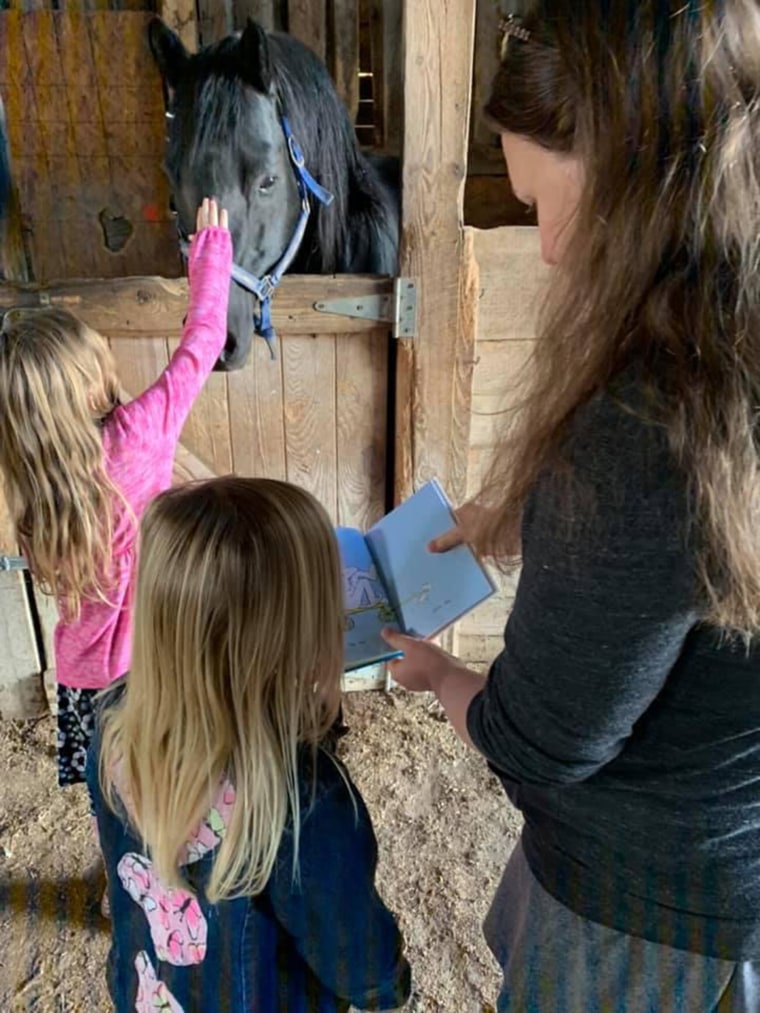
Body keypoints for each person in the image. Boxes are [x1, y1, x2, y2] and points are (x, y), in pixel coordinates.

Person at [382, 2, 760, 1010]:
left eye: (549, 203)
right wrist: (517, 510)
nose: (546, 249)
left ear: (641, 180)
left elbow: (542, 739)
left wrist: (437, 674)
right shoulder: (729, 342)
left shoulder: (650, 419)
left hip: (650, 898)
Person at [85, 476, 411, 1013]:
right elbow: (355, 955)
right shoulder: (305, 799)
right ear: (301, 633)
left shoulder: (114, 718)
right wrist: (388, 988)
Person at [0, 197, 231, 788]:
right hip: (162, 664)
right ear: (92, 375)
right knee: (178, 789)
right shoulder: (137, 435)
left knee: (116, 797)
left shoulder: (32, 479)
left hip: (85, 681)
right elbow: (204, 340)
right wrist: (210, 253)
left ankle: (128, 873)